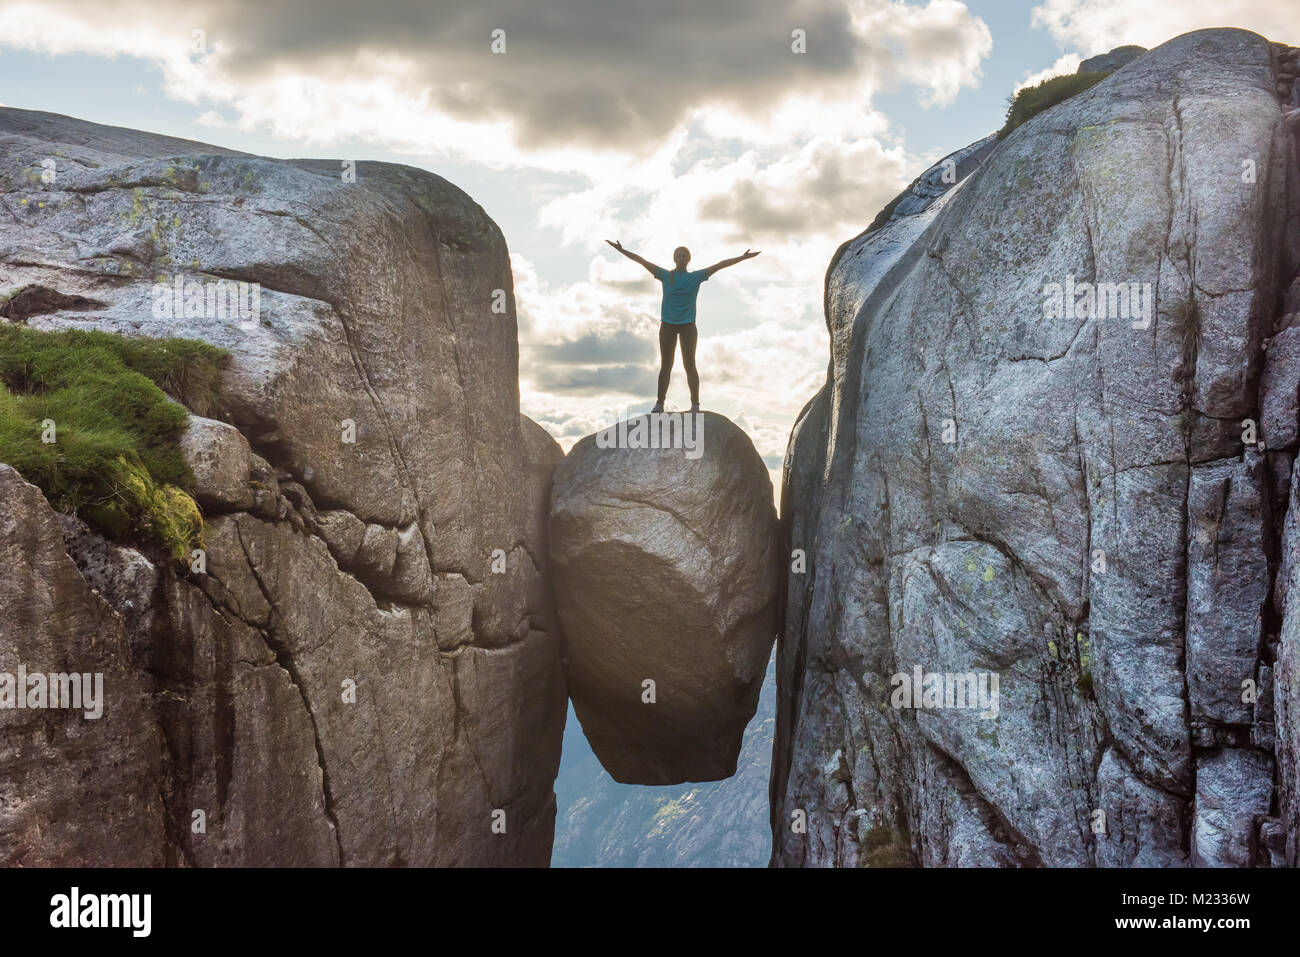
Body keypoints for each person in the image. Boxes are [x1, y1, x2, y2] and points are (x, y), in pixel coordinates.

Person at [606, 240, 760, 412]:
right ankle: (659, 403)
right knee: (666, 365)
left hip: (688, 326)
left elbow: (720, 265)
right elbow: (642, 261)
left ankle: (695, 404)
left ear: (688, 260)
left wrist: (742, 258)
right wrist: (622, 250)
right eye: (678, 255)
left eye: (684, 256)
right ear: (674, 258)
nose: (681, 258)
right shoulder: (665, 275)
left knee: (690, 365)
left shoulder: (695, 277)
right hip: (667, 326)